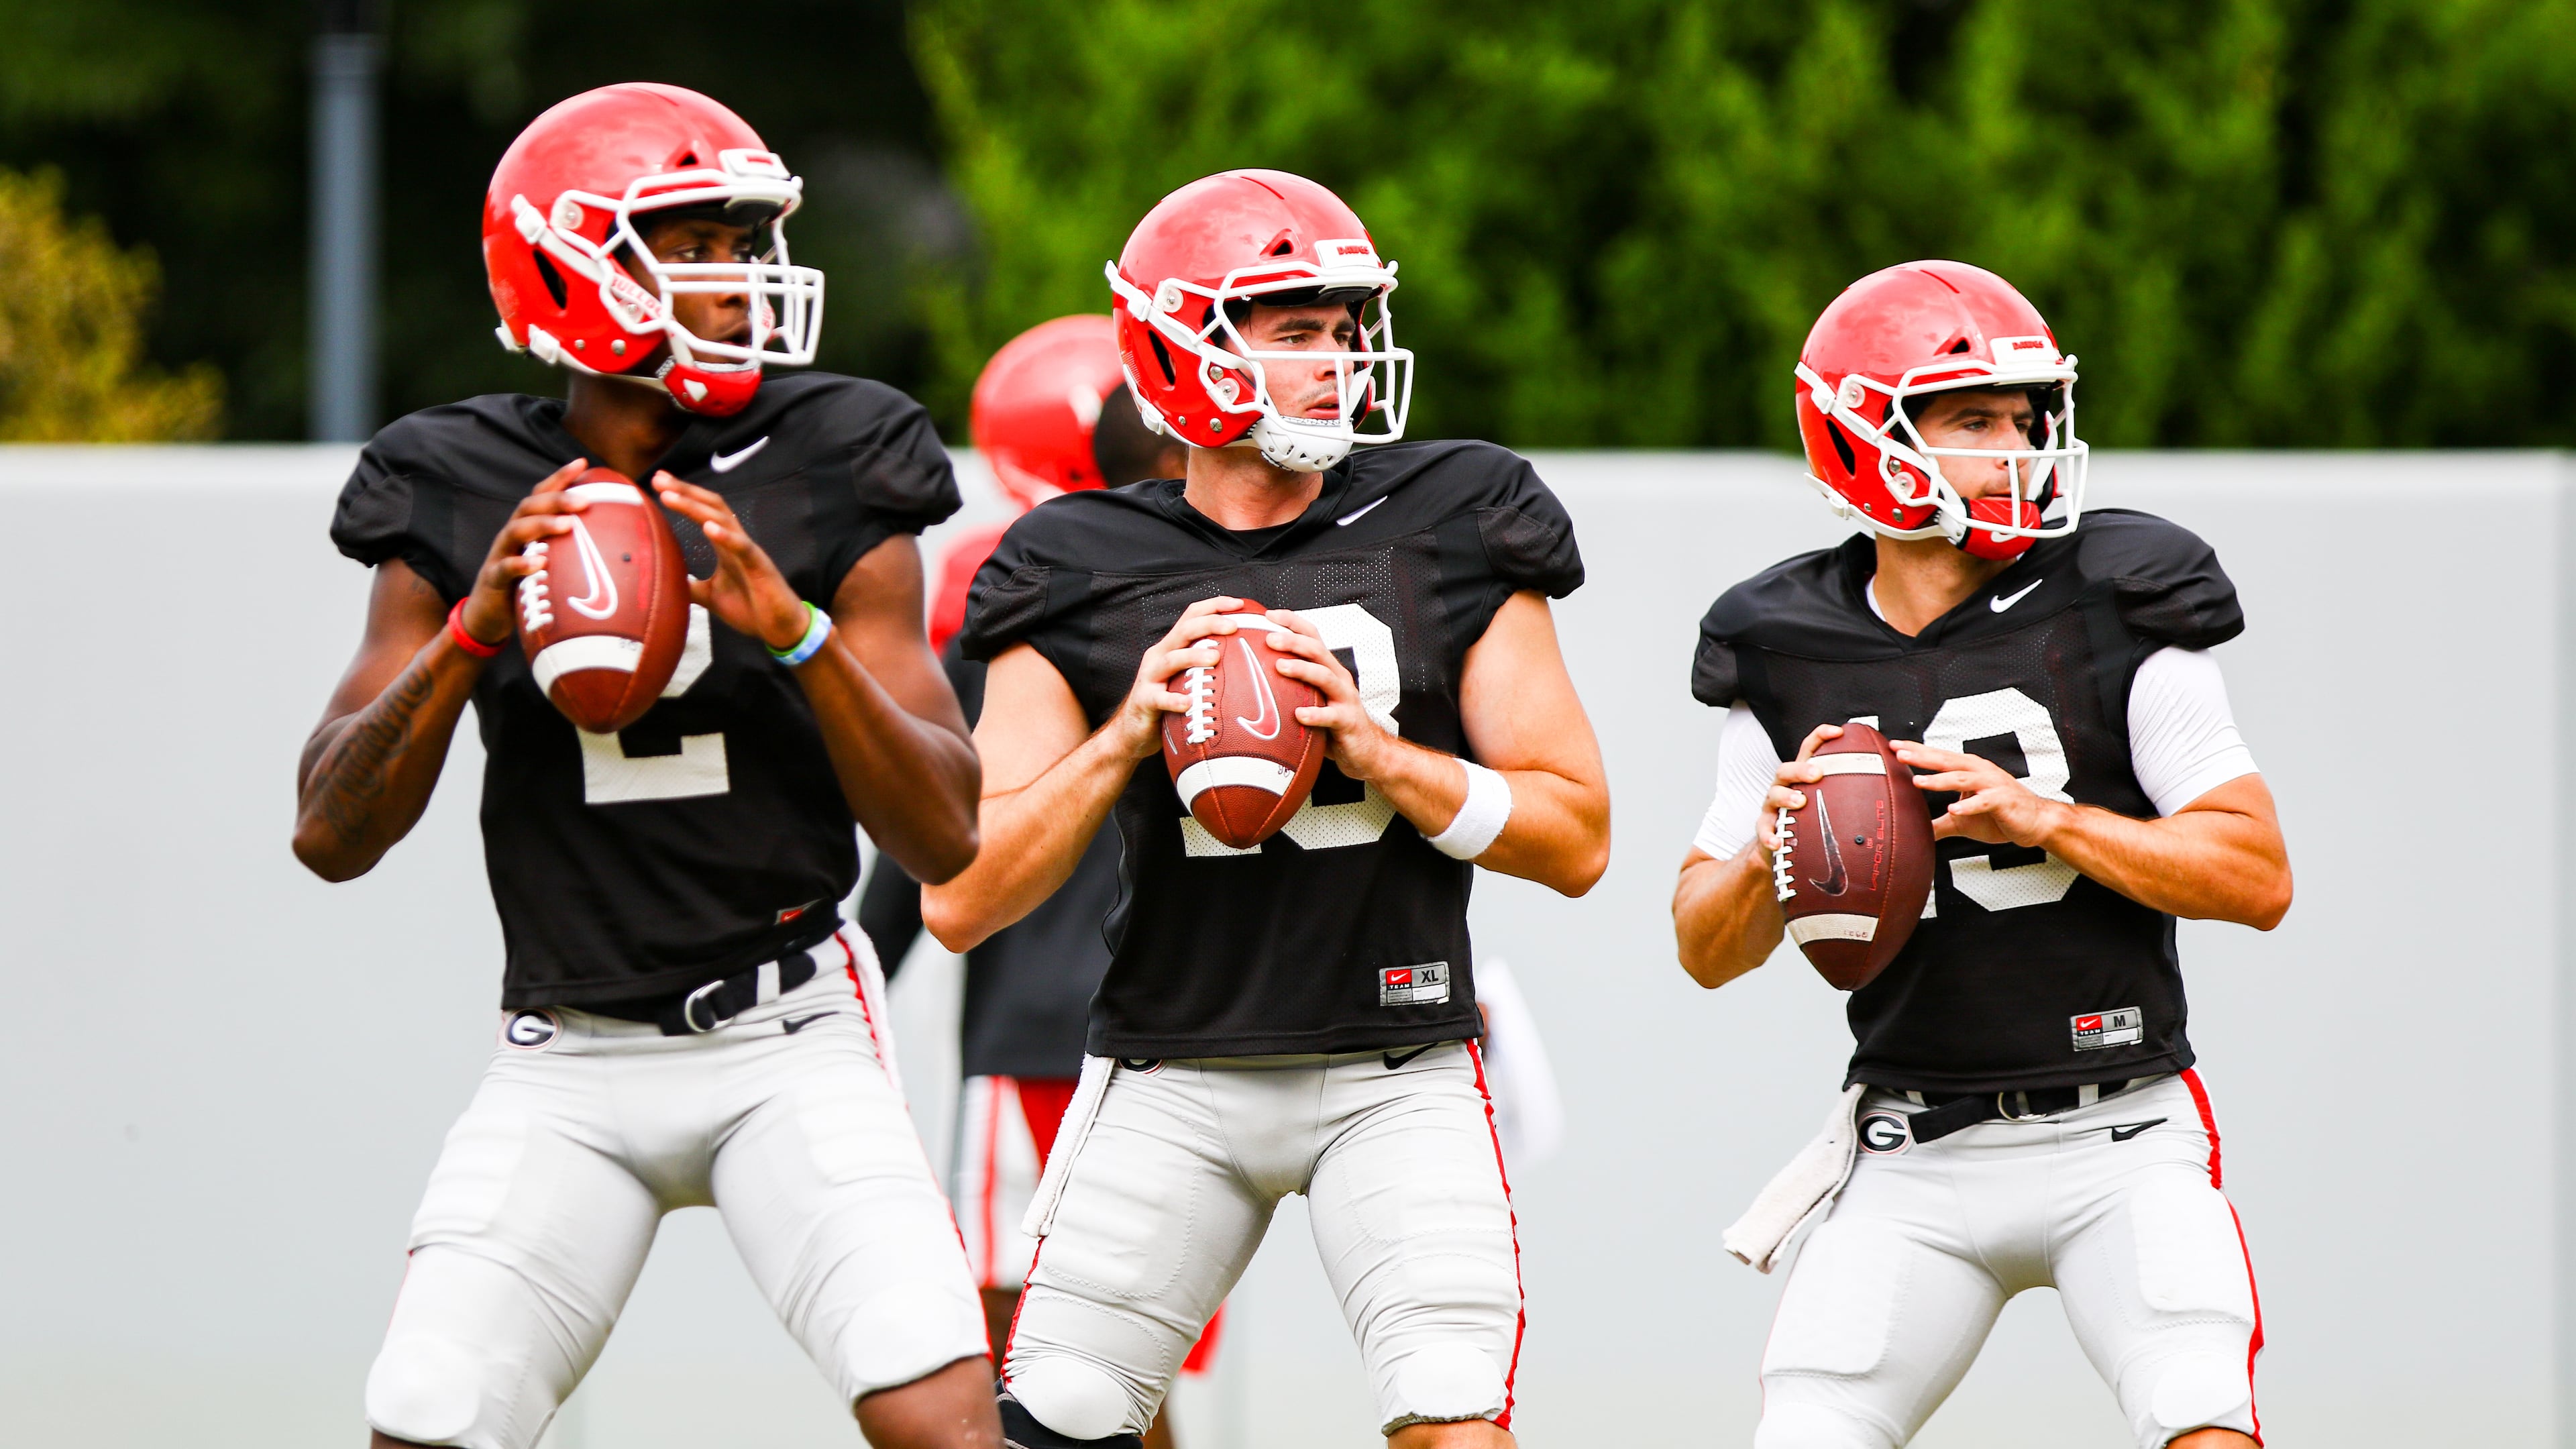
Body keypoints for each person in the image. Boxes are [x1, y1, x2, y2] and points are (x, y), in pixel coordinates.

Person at [292, 83, 999, 1449]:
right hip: (565, 1052)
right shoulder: (449, 477)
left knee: (944, 1416)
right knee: (426, 1417)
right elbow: (330, 831)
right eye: (696, 247)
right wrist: (464, 639)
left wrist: (795, 637)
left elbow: (946, 828)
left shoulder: (837, 452)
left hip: (788, 1028)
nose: (739, 281)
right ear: (571, 267)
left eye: (744, 247)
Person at [920, 168, 1611, 1449]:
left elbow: (1578, 838)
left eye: (1348, 329)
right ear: (1182, 347)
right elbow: (962, 898)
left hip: (1398, 1064)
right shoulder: (1068, 562)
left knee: (1452, 1421)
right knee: (1058, 1418)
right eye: (1296, 331)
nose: (1340, 362)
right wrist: (1127, 730)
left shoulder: (1461, 511)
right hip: (1172, 1063)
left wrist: (1389, 758)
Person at [1671, 260, 2292, 1449]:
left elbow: (2258, 875)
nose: (2020, 446)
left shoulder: (2120, 597)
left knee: (2204, 1420)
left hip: (2126, 1132)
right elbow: (1704, 947)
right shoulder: (1780, 641)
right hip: (1914, 1146)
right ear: (1866, 440)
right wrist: (1766, 853)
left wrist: (2050, 819)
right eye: (1972, 419)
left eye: (2027, 417)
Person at [855, 317, 1201, 1449]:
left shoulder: (1013, 613)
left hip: (1043, 1040)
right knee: (1123, 1376)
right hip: (1179, 1030)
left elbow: (923, 860)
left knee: (1030, 1362)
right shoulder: (1250, 604)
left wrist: (848, 998)